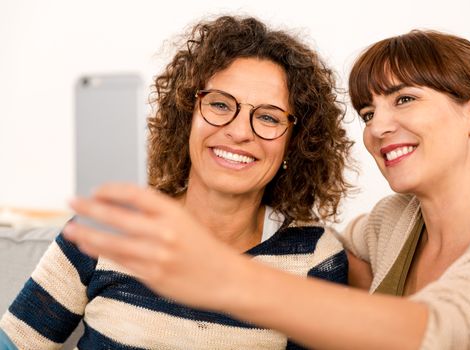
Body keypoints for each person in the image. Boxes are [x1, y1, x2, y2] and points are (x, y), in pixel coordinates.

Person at [56, 30, 470, 349]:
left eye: (404, 98)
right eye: (367, 113)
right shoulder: (390, 223)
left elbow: (443, 331)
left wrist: (222, 276)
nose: (379, 126)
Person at [0, 16, 354, 349]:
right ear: (188, 115)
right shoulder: (108, 227)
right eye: (219, 104)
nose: (239, 131)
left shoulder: (314, 258)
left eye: (267, 117)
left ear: (296, 141)